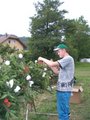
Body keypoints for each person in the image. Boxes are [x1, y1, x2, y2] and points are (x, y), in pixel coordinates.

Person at [38, 43, 75, 120]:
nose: (58, 53)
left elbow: (52, 64)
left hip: (64, 90)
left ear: (64, 50)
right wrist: (49, 64)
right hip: (62, 90)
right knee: (64, 110)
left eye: (58, 51)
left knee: (62, 113)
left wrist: (42, 58)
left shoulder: (68, 59)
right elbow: (57, 72)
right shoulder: (65, 61)